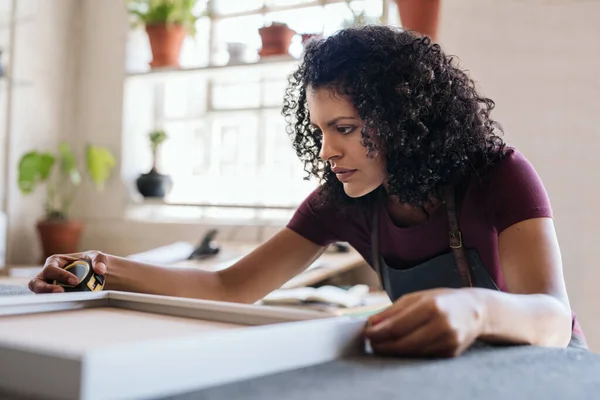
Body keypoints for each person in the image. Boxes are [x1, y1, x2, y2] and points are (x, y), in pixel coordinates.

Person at [29, 25, 586, 357]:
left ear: (404, 119)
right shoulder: (342, 201)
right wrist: (100, 267)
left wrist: (475, 311)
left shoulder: (498, 175)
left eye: (343, 129)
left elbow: (553, 320)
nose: (325, 152)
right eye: (319, 130)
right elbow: (230, 286)